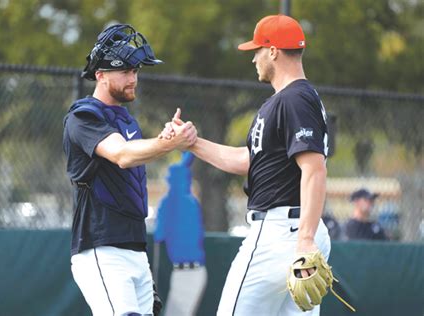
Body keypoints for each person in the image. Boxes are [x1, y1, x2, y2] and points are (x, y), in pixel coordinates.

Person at [161, 14, 331, 315]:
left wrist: (304, 239)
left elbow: (314, 169)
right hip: (295, 231)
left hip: (281, 232)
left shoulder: (293, 99)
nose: (254, 58)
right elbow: (250, 161)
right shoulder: (291, 100)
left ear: (274, 51)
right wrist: (193, 142)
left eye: (258, 50)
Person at [62, 24, 197, 316]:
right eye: (124, 70)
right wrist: (167, 144)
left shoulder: (127, 121)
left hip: (135, 250)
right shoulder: (83, 116)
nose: (133, 78)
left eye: (135, 71)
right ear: (100, 75)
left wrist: (164, 141)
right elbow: (121, 155)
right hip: (101, 248)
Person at [154, 152, 207, 316]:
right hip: (193, 272)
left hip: (186, 273)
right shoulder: (192, 202)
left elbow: (159, 235)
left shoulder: (168, 203)